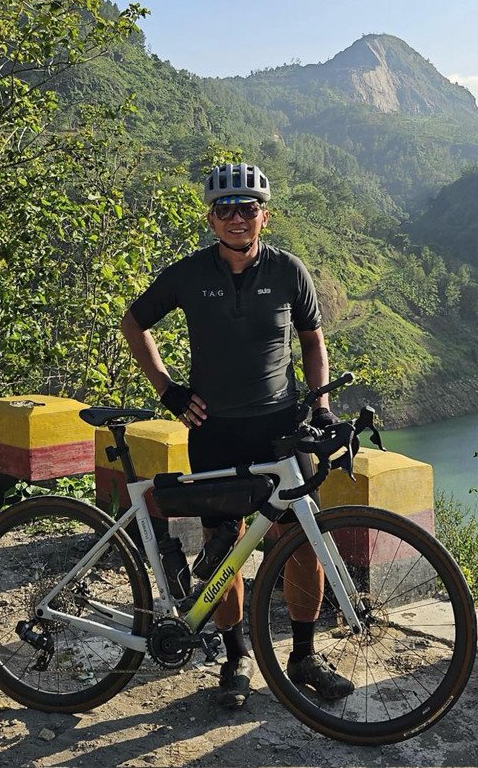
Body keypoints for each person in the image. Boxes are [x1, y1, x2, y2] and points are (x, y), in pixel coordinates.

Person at [120, 161, 354, 709]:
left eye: (247, 208)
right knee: (224, 545)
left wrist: (320, 406)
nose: (236, 218)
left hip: (280, 430)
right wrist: (169, 391)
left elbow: (313, 342)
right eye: (225, 209)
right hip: (215, 432)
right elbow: (134, 323)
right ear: (211, 219)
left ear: (264, 216)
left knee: (300, 543)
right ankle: (236, 657)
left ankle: (303, 656)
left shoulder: (289, 270)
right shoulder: (188, 274)